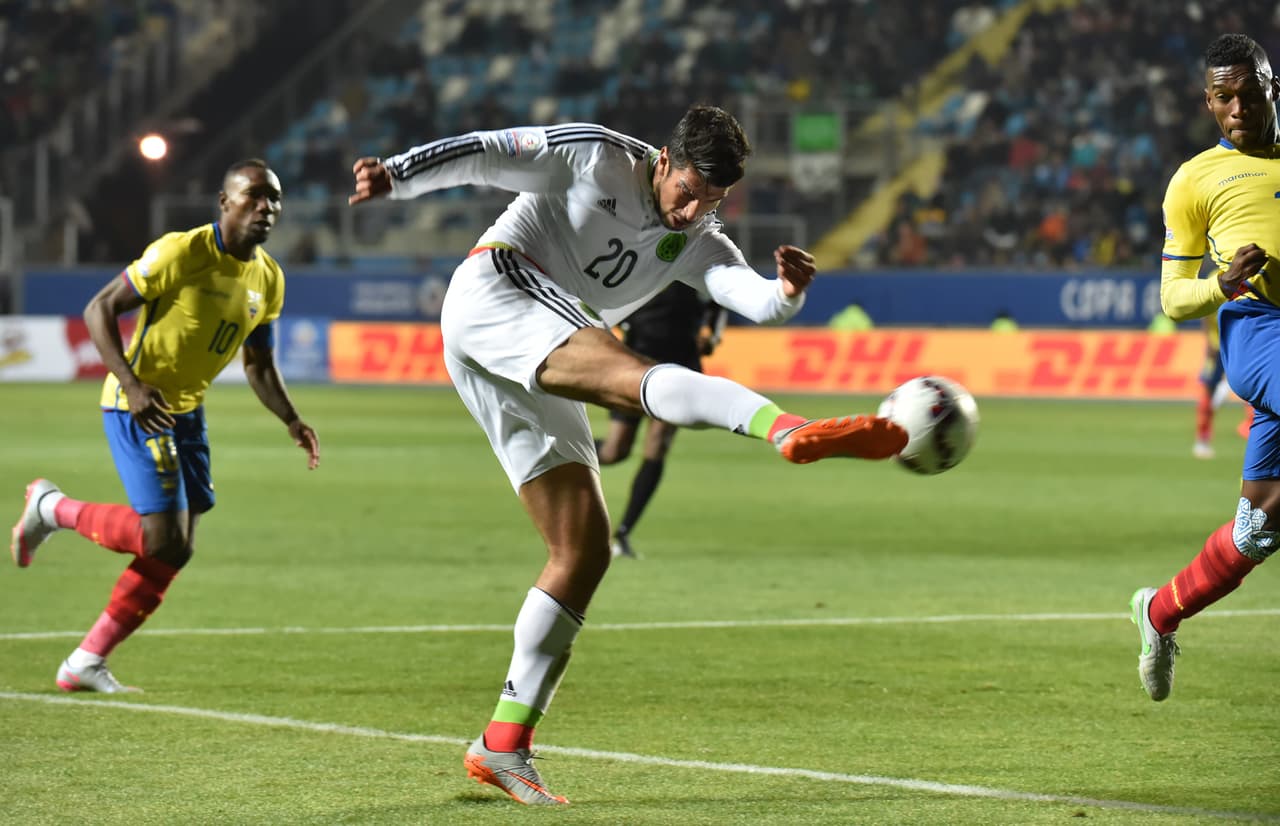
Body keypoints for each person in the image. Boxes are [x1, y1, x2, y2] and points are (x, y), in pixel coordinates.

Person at [348, 105, 908, 804]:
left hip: (542, 338)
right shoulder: (595, 156)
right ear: (666, 161)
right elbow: (487, 153)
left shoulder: (697, 231)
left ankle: (503, 743)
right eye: (692, 187)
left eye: (715, 198)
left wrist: (788, 294)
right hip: (499, 287)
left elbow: (750, 298)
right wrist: (396, 176)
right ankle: (785, 429)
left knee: (583, 550)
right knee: (631, 373)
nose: (697, 206)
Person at [9, 159, 320, 693]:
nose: (265, 208)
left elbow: (259, 364)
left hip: (188, 412)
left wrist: (291, 418)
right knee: (162, 539)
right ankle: (50, 508)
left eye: (274, 199)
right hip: (139, 406)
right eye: (253, 197)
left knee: (177, 548)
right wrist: (132, 385)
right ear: (224, 203)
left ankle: (85, 661)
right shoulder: (183, 251)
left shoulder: (269, 278)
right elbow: (98, 309)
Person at [1135, 33, 1280, 702]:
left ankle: (1160, 612)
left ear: (1271, 88)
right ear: (1208, 103)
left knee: (1257, 533)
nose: (1238, 108)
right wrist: (1222, 284)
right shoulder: (1194, 180)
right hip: (1258, 335)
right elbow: (1171, 299)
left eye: (1250, 94)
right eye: (1225, 98)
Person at [595, 281, 728, 558]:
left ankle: (623, 533)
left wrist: (712, 335)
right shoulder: (647, 257)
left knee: (658, 444)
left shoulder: (700, 260)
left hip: (681, 363)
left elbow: (720, 301)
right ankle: (556, 454)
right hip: (637, 361)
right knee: (614, 451)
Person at [1192, 313, 1254, 459]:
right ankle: (1202, 438)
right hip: (1216, 349)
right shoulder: (1215, 294)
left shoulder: (1240, 294)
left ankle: (1252, 429)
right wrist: (1208, 343)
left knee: (1251, 388)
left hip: (1238, 349)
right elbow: (1205, 317)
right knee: (1208, 391)